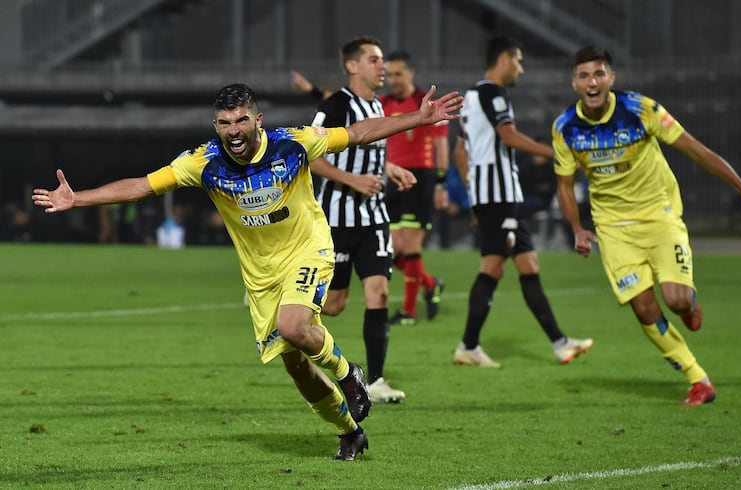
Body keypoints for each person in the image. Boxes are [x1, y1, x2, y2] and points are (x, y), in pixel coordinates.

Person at [31, 82, 462, 459]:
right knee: (295, 366)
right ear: (216, 126)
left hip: (307, 251)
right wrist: (78, 198)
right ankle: (349, 432)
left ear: (258, 119)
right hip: (261, 277)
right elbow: (141, 186)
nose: (233, 130)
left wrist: (417, 119)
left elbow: (357, 134)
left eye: (240, 120)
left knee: (294, 326)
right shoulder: (204, 161)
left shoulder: (293, 143)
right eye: (223, 122)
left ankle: (350, 374)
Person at [552, 46, 741, 405]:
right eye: (584, 75)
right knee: (643, 308)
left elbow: (696, 150)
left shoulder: (641, 109)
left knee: (675, 299)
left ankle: (688, 304)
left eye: (599, 74)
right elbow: (564, 185)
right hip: (613, 228)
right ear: (574, 83)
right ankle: (697, 377)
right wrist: (578, 229)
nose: (592, 82)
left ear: (611, 78)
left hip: (659, 215)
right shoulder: (565, 128)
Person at [453, 36, 594, 368]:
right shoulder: (493, 93)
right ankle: (468, 346)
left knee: (528, 264)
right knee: (493, 266)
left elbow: (461, 150)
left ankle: (560, 343)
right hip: (499, 196)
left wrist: (474, 193)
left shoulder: (471, 96)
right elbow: (509, 136)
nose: (521, 69)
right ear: (503, 59)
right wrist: (557, 153)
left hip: (496, 196)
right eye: (518, 61)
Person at [308, 37, 414, 404]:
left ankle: (377, 379)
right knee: (334, 305)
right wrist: (353, 180)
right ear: (353, 66)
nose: (381, 66)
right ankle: (287, 313)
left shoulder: (376, 105)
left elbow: (367, 153)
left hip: (373, 217)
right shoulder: (336, 106)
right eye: (374, 60)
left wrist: (391, 167)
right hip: (336, 218)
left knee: (379, 291)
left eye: (382, 60)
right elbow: (311, 155)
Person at [380, 51, 449, 326]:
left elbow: (441, 144)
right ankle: (430, 284)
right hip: (394, 179)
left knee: (410, 244)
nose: (393, 79)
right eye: (390, 74)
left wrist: (441, 183)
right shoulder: (382, 103)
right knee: (394, 248)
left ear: (411, 73)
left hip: (421, 178)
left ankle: (408, 312)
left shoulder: (425, 104)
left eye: (398, 74)